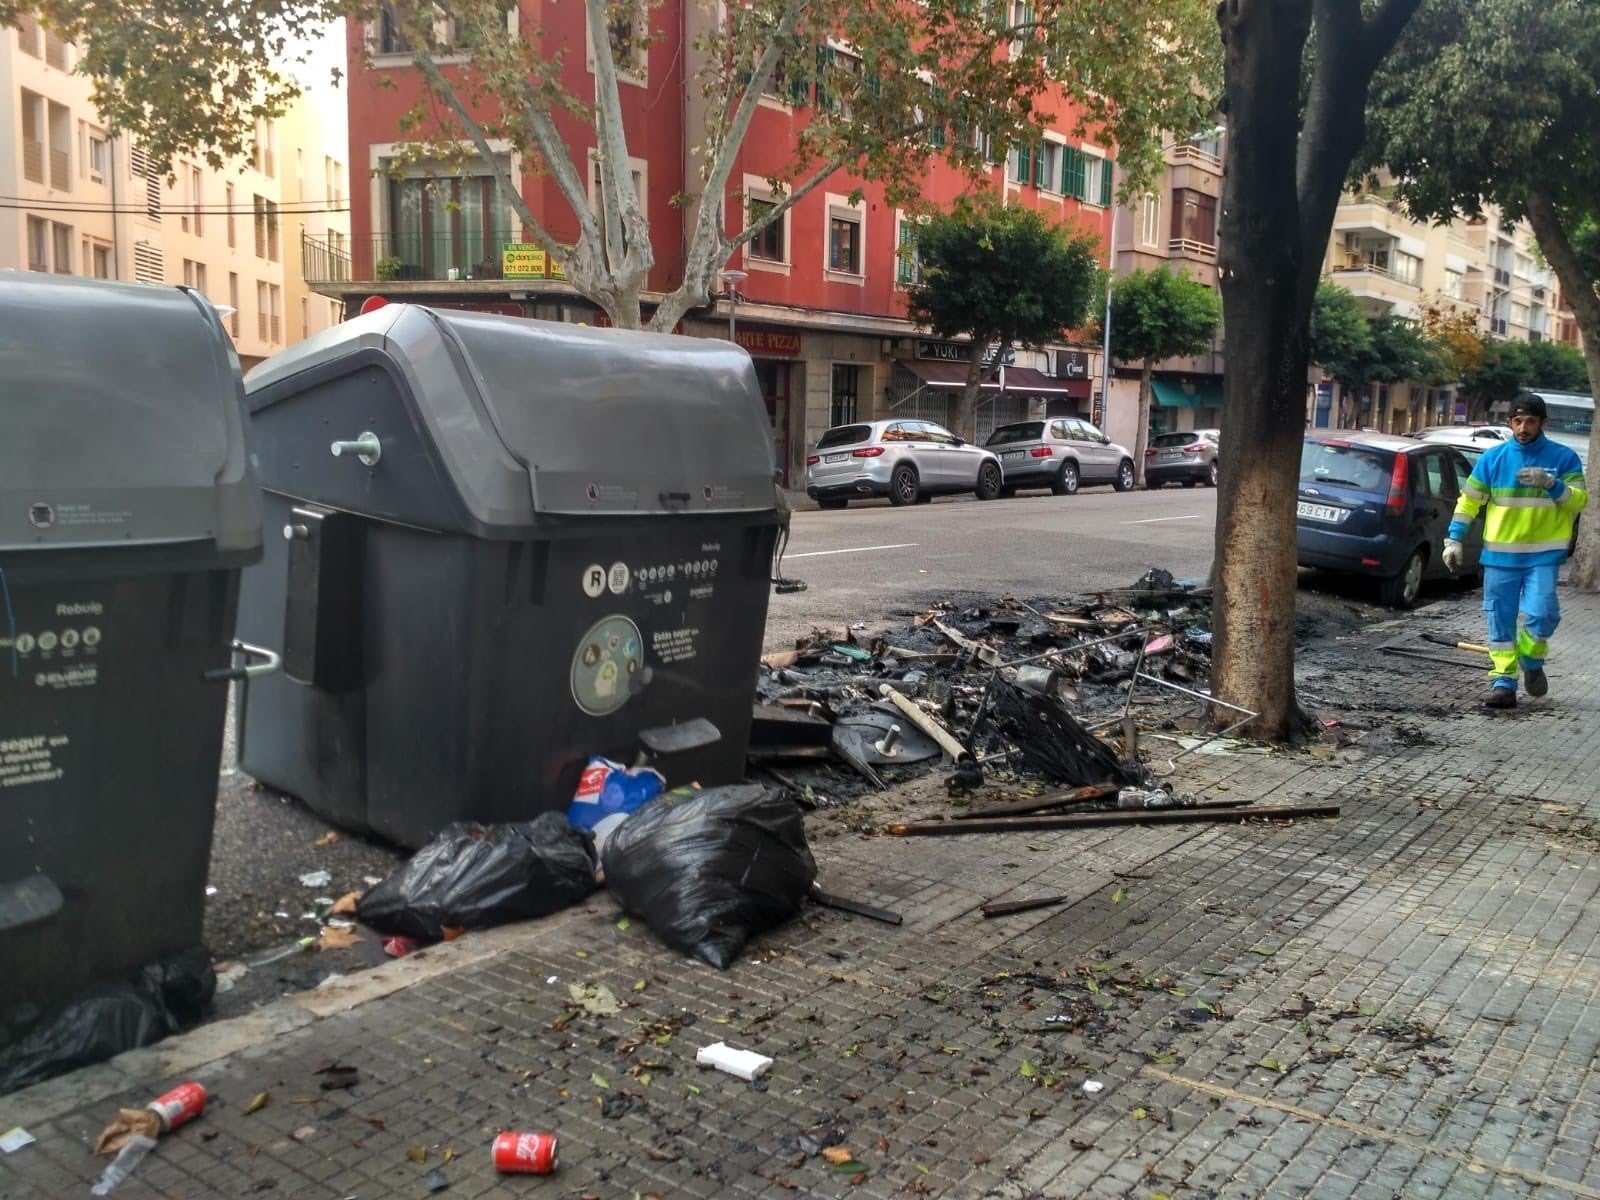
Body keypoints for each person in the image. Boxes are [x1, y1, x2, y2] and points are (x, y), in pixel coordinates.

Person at [1443, 394, 1587, 708]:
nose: (1523, 428)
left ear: (1543, 423)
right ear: (1509, 422)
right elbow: (1469, 501)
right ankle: (1503, 683)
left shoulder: (1564, 458)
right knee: (1500, 620)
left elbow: (1579, 501)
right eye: (1517, 421)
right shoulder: (1493, 459)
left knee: (1543, 613)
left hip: (1543, 557)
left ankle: (1531, 661)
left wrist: (1552, 484)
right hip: (1499, 557)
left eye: (1530, 421)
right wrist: (1453, 538)